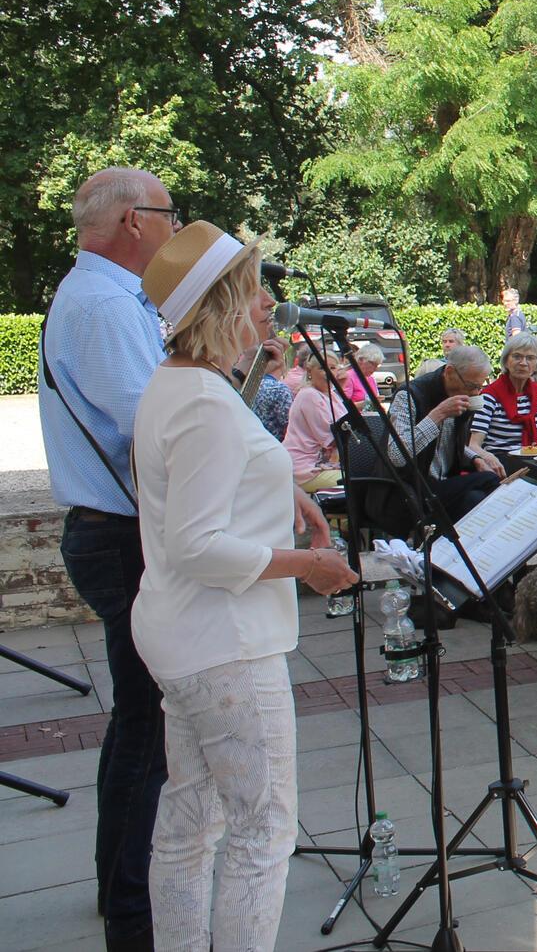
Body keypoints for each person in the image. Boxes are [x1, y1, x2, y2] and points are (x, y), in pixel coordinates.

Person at [134, 220, 357, 951]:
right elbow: (196, 542)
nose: (267, 303)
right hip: (223, 642)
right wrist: (308, 565)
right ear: (221, 304)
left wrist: (284, 490)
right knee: (263, 831)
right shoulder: (201, 401)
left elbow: (207, 486)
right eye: (253, 289)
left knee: (192, 819)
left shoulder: (183, 385)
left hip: (186, 632)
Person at [37, 167, 178, 951]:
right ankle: (133, 907)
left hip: (114, 529)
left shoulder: (99, 297)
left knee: (137, 719)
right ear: (133, 220)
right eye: (166, 213)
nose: (171, 226)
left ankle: (118, 886)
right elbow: (152, 429)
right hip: (121, 534)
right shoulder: (102, 303)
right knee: (148, 724)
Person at [385, 344, 504, 521]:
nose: (475, 393)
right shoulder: (409, 394)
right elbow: (396, 455)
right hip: (408, 490)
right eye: (471, 386)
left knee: (478, 499)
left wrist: (475, 458)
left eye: (480, 387)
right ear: (449, 372)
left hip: (444, 484)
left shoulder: (461, 398)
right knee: (489, 480)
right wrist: (437, 415)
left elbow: (448, 445)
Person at [470, 332, 537, 455]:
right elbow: (474, 445)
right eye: (517, 357)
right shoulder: (490, 396)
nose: (523, 363)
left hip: (535, 462)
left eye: (530, 358)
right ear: (506, 361)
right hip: (499, 464)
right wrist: (489, 460)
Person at [284, 350, 345, 491]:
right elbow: (333, 438)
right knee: (360, 482)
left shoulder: (331, 395)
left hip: (325, 465)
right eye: (323, 368)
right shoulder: (309, 395)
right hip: (306, 469)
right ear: (310, 371)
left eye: (333, 368)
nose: (329, 373)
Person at [240, 341, 293, 441]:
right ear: (282, 363)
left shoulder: (246, 384)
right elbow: (289, 423)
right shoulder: (279, 389)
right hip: (271, 443)